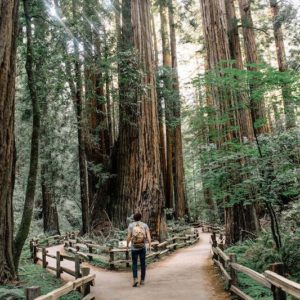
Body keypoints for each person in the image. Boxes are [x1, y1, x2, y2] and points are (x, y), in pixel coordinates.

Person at [126, 212, 151, 287]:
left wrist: (127, 245)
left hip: (134, 247)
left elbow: (129, 236)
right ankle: (142, 280)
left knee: (134, 264)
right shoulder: (144, 225)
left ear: (134, 218)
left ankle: (135, 279)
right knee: (143, 263)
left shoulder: (131, 225)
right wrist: (149, 244)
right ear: (140, 218)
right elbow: (148, 235)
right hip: (142, 247)